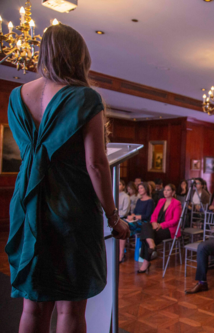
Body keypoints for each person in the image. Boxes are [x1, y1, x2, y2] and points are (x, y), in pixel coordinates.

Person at [6, 23, 130, 333]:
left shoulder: (16, 96)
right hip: (70, 207)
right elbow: (97, 165)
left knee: (32, 307)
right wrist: (114, 219)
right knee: (70, 308)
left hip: (27, 204)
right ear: (78, 57)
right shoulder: (85, 97)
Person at [137, 184, 182, 274]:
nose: (165, 192)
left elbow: (175, 220)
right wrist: (153, 223)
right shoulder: (161, 201)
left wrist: (161, 225)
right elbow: (154, 214)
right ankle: (152, 245)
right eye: (164, 190)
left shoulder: (177, 203)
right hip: (156, 226)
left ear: (173, 192)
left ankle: (146, 262)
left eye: (168, 190)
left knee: (147, 236)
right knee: (145, 226)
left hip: (169, 229)